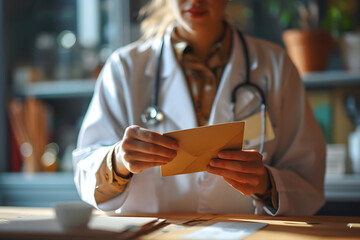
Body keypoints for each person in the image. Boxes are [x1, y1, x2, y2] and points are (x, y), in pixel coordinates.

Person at [73, 0, 326, 216]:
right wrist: (117, 160)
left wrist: (266, 184)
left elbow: (308, 178)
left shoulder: (276, 66)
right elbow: (85, 169)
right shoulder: (124, 68)